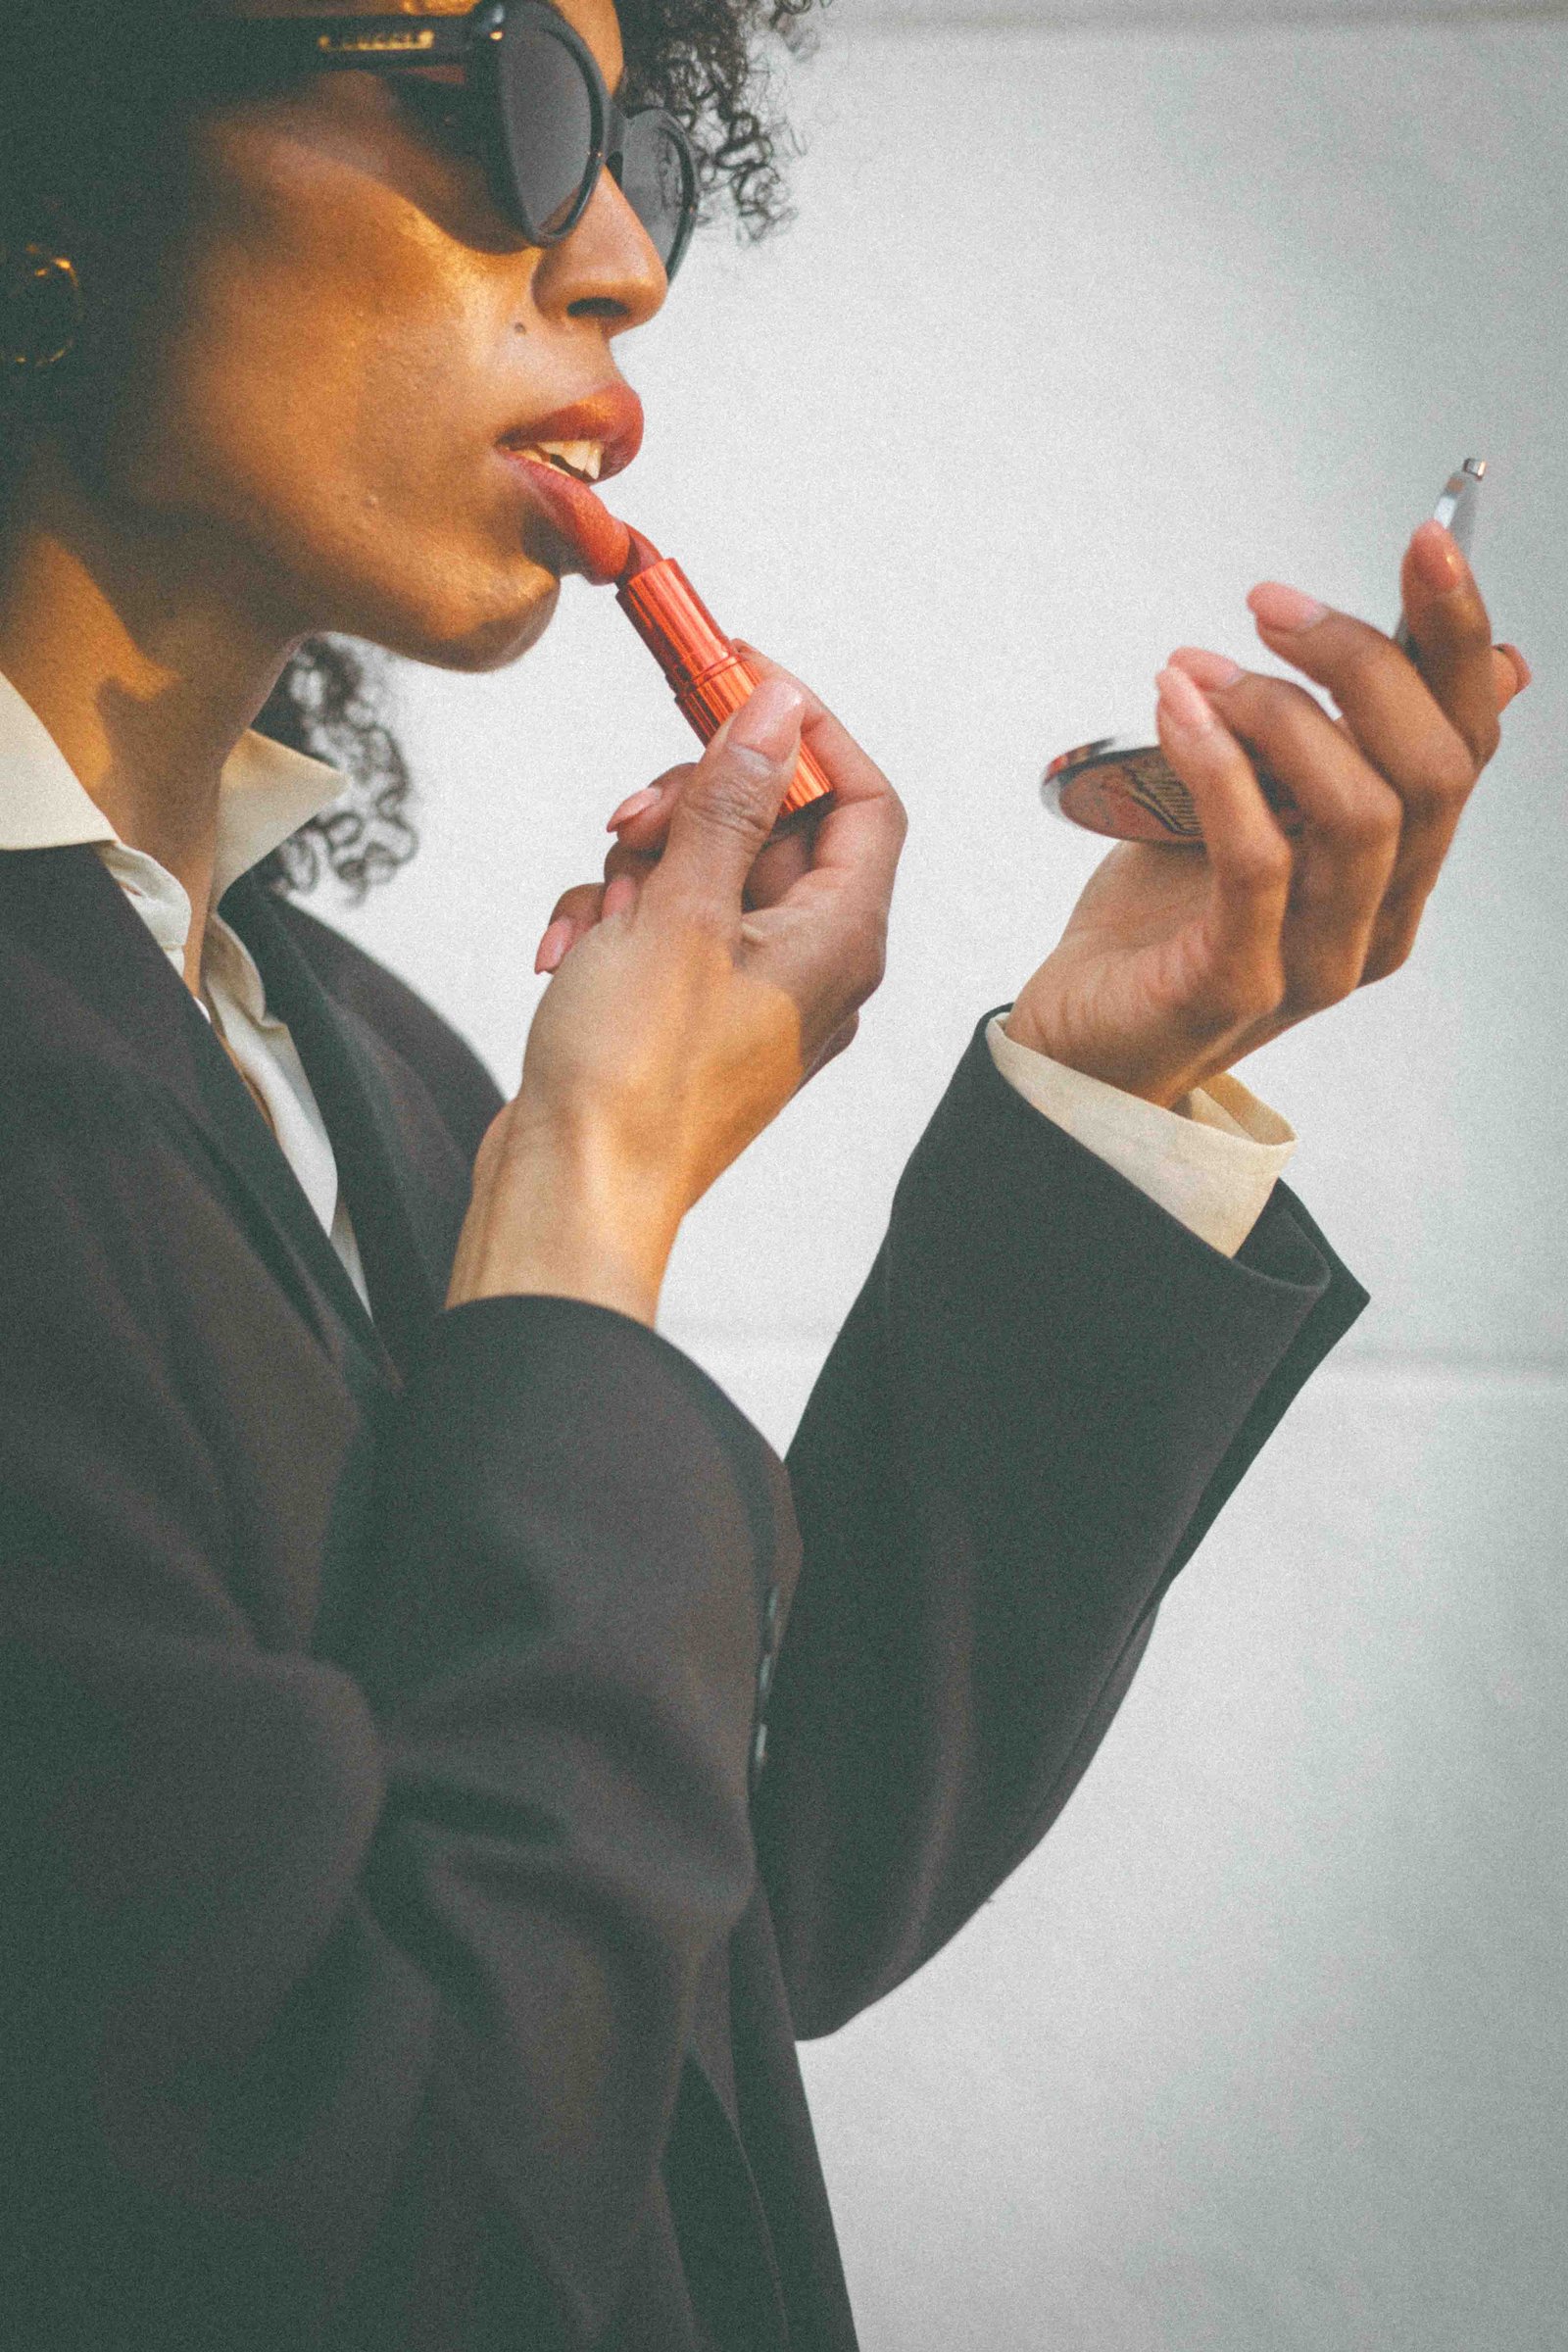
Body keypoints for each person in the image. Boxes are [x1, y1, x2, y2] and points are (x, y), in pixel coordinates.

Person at [0, 0, 1530, 2345]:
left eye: (653, 160)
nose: (616, 256)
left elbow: (712, 1913)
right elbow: (387, 2246)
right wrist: (589, 1203)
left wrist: (1117, 1073)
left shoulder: (356, 1059)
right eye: (503, 99)